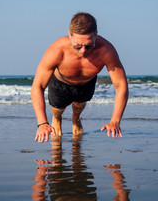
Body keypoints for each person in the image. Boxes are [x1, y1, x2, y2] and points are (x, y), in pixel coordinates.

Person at [31, 12, 128, 143]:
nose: (83, 51)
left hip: (87, 83)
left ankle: (75, 119)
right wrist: (42, 123)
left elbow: (121, 85)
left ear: (96, 35)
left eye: (89, 45)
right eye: (78, 45)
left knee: (78, 108)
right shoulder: (57, 50)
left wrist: (115, 121)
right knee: (58, 111)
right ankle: (57, 119)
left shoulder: (106, 50)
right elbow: (38, 86)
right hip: (61, 84)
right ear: (70, 35)